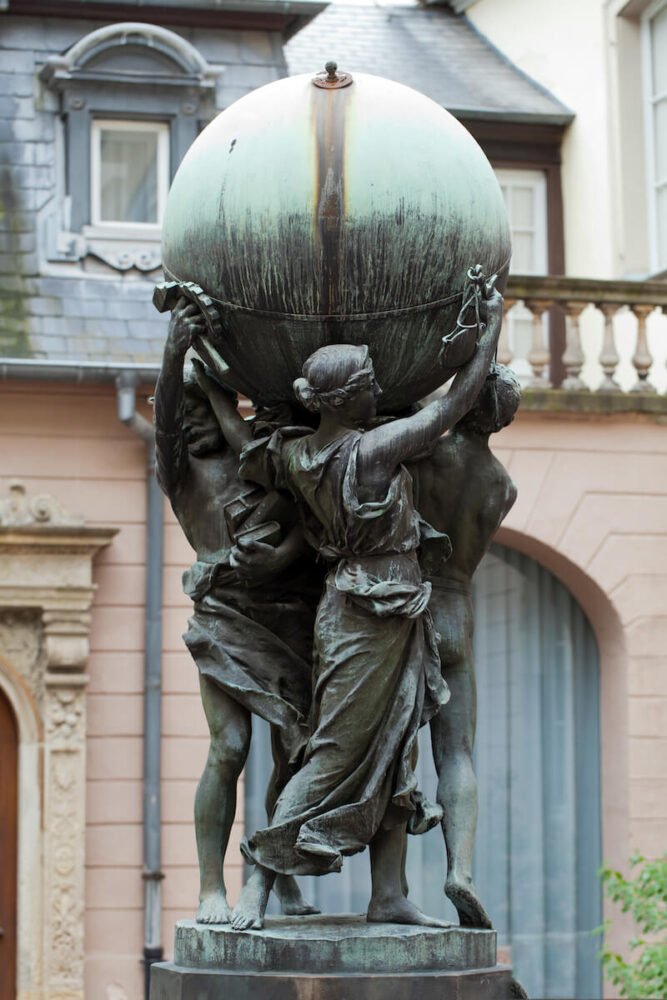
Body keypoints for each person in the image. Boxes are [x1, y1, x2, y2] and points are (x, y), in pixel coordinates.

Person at [218, 278, 504, 931]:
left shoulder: (295, 453)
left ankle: (389, 897)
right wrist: (489, 325)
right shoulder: (371, 450)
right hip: (373, 612)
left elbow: (246, 449)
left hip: (376, 608)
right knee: (336, 754)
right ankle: (258, 882)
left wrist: (213, 387)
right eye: (371, 382)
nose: (380, 390)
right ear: (348, 400)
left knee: (396, 744)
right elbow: (452, 406)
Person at [154, 297, 320, 924]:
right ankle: (209, 888)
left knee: (295, 753)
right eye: (184, 411)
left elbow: (310, 512)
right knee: (228, 746)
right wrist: (176, 357)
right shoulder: (181, 475)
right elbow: (166, 422)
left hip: (291, 615)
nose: (192, 421)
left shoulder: (262, 460)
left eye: (206, 408)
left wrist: (281, 559)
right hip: (223, 617)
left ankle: (274, 880)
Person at [409, 362, 521, 929]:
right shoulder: (503, 486)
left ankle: (392, 886)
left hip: (412, 606)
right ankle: (461, 870)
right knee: (457, 752)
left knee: (394, 750)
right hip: (459, 608)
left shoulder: (431, 453)